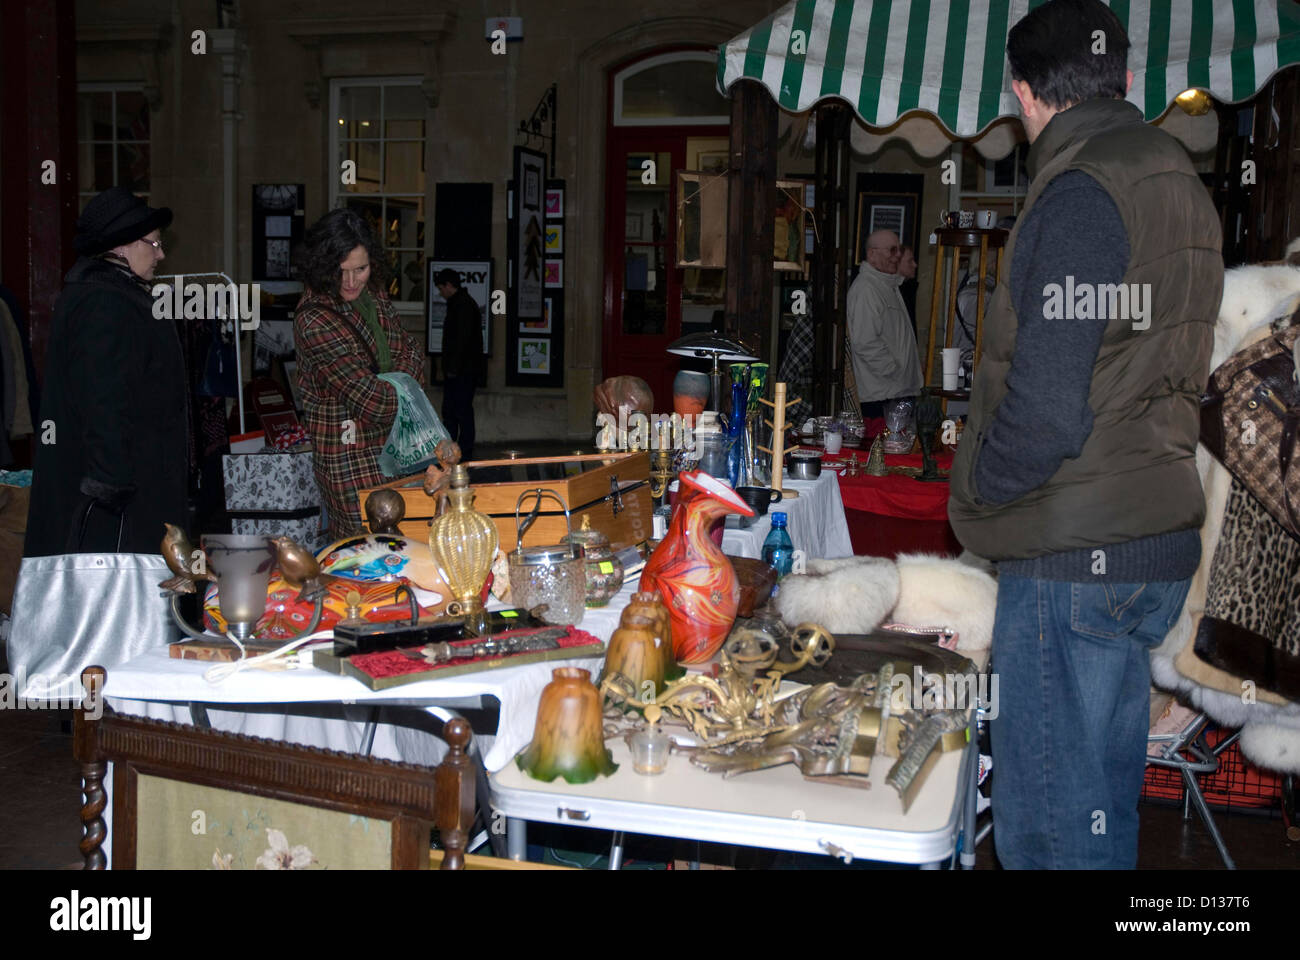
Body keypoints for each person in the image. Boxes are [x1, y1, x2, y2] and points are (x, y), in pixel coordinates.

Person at [946, 0, 1222, 869]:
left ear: (1025, 96)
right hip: (1149, 539)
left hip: (1075, 555)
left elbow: (1050, 408)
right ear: (1126, 80)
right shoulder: (1176, 177)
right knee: (1100, 807)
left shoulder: (1081, 194)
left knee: (1053, 833)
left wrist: (984, 488)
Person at [24, 187, 189, 557]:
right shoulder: (105, 301)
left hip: (130, 486)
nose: (161, 253)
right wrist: (111, 488)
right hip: (121, 500)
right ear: (123, 245)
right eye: (155, 243)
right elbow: (103, 402)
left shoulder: (110, 294)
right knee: (118, 601)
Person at [294, 209, 426, 537]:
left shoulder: (375, 295)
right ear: (323, 267)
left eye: (361, 269)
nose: (352, 282)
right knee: (367, 564)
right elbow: (377, 404)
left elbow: (413, 352)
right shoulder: (314, 320)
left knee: (410, 560)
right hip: (352, 464)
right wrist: (405, 379)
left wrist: (402, 375)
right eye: (341, 272)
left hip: (398, 456)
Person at [846, 229, 923, 436]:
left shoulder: (888, 285)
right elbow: (864, 342)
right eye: (892, 250)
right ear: (872, 254)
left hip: (894, 392)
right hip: (880, 396)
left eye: (898, 249)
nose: (897, 255)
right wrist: (894, 370)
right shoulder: (866, 289)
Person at [434, 267, 485, 461]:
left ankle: (459, 450)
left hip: (461, 370)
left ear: (449, 285)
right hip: (463, 369)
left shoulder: (461, 305)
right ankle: (457, 448)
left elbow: (460, 340)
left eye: (441, 287)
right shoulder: (464, 303)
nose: (441, 292)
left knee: (458, 411)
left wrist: (452, 368)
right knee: (459, 411)